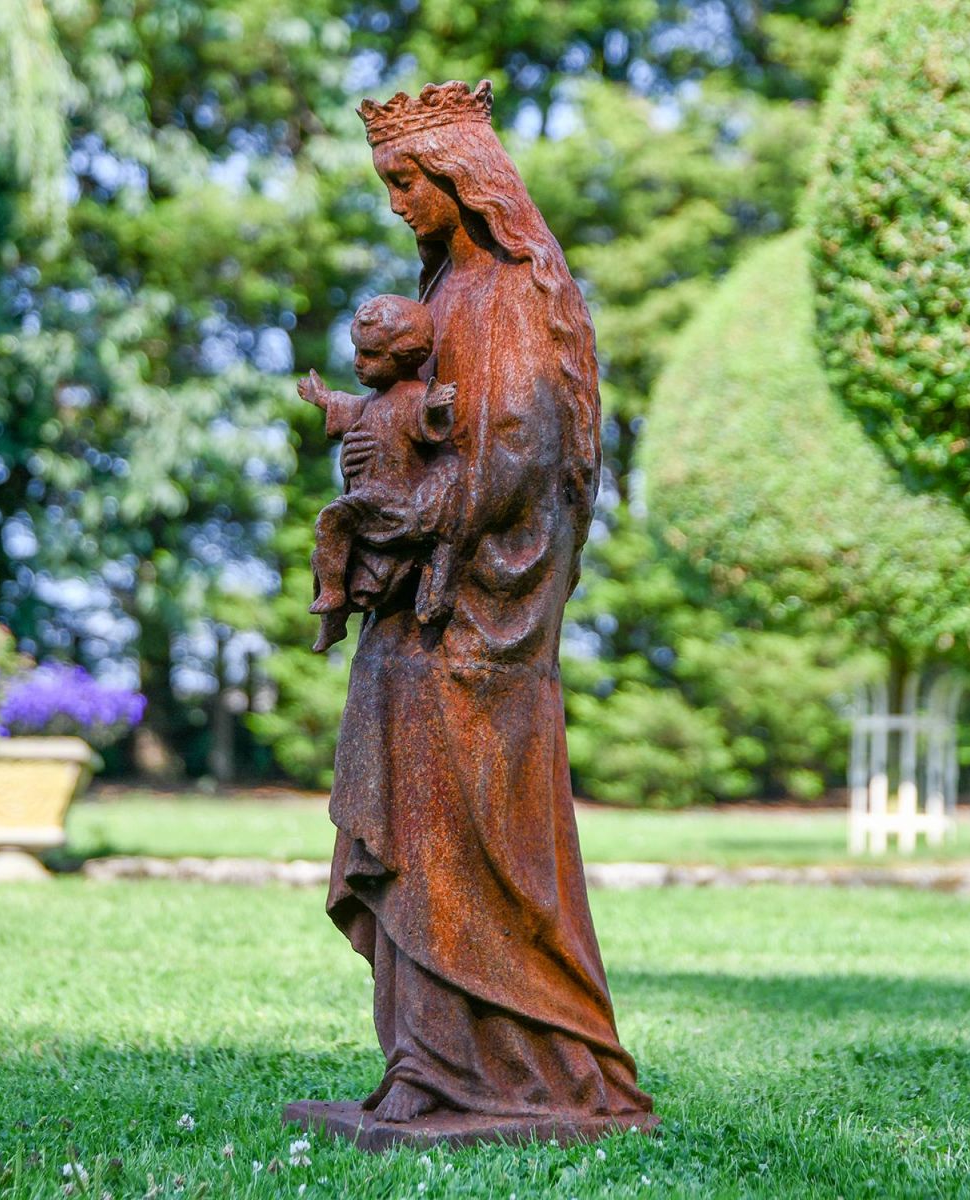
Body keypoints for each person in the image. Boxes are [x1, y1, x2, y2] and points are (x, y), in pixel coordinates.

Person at [324, 79, 653, 1127]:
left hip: (479, 619)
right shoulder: (443, 297)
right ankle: (426, 1060)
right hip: (426, 611)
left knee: (461, 836)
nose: (395, 203)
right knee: (416, 827)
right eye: (387, 183)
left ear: (463, 183)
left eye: (406, 182)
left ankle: (516, 1063)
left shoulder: (507, 296)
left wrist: (405, 522)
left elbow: (513, 451)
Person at [298, 293, 456, 653]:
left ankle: (334, 595)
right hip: (367, 501)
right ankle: (333, 619)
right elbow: (348, 407)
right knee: (325, 551)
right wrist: (321, 398)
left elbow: (430, 424)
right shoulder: (372, 402)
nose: (358, 364)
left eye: (369, 355)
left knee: (332, 521)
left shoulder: (412, 398)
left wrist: (434, 408)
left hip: (391, 505)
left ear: (405, 357)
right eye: (356, 352)